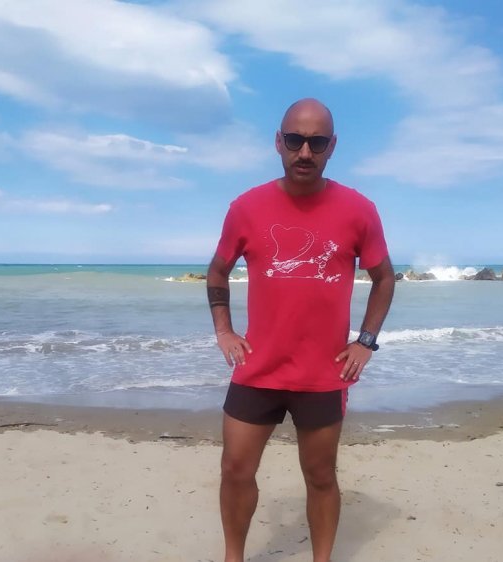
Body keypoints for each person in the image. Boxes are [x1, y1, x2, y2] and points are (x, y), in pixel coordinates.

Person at [206, 98, 395, 562]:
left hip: (322, 374)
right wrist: (224, 331)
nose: (305, 152)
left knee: (321, 477)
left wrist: (365, 342)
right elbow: (217, 270)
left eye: (317, 142)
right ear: (278, 142)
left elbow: (384, 278)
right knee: (235, 469)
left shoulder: (358, 209)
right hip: (258, 368)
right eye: (295, 140)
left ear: (332, 146)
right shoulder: (246, 207)